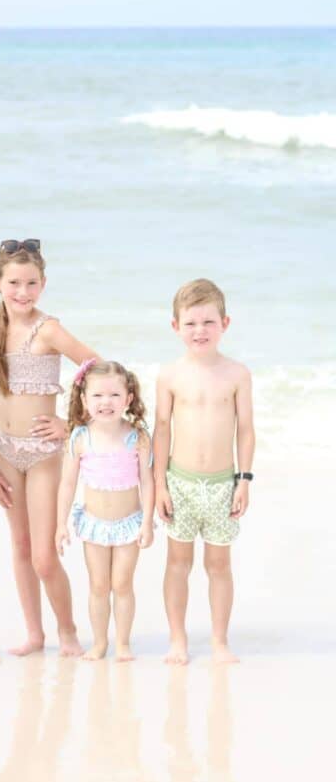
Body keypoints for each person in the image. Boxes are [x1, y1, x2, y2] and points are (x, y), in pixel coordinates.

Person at [0, 239, 97, 656]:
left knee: (44, 557)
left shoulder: (48, 330)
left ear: (43, 284)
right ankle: (35, 633)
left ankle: (68, 630)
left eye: (31, 283)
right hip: (3, 452)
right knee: (21, 547)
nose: (22, 292)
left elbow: (97, 370)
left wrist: (71, 422)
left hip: (43, 454)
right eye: (14, 283)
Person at [153, 278, 255, 665]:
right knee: (178, 563)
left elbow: (245, 430)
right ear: (175, 326)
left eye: (209, 322)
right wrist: (159, 483)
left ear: (225, 324)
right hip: (179, 483)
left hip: (221, 485)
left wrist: (243, 479)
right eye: (191, 323)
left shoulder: (237, 374)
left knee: (219, 565)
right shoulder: (170, 375)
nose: (200, 331)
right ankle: (177, 639)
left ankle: (218, 640)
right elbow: (162, 429)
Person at [56, 360, 154, 661]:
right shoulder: (80, 437)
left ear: (128, 399)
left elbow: (147, 482)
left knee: (122, 584)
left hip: (129, 524)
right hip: (94, 524)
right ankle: (99, 642)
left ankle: (123, 643)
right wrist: (61, 525)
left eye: (114, 395)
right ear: (84, 399)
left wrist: (147, 522)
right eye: (97, 396)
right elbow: (67, 484)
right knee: (98, 586)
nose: (106, 402)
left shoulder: (137, 437)